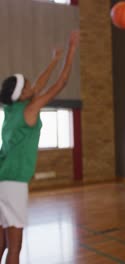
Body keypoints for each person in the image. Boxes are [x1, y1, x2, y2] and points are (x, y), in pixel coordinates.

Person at [0, 31, 80, 264]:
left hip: (2, 180)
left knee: (2, 243)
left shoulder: (12, 110)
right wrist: (72, 50)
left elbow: (38, 84)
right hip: (14, 185)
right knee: (15, 247)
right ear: (23, 93)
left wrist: (54, 60)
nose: (32, 84)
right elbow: (60, 84)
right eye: (27, 84)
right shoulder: (30, 108)